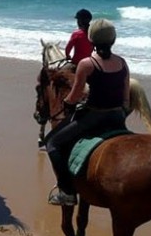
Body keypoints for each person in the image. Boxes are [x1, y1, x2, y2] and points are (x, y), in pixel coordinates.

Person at [46, 18, 131, 206]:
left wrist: (68, 103)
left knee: (52, 143)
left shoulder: (87, 64)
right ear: (113, 39)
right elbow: (125, 97)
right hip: (118, 117)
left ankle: (67, 193)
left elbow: (74, 96)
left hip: (95, 117)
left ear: (91, 40)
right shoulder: (123, 63)